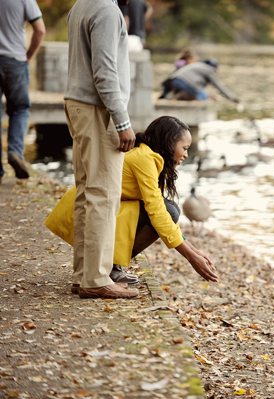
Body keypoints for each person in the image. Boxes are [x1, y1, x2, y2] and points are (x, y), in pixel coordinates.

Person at [45, 116, 219, 288]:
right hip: (84, 211)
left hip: (97, 210)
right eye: (185, 148)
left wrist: (195, 251)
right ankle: (110, 266)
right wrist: (190, 257)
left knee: (170, 209)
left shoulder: (148, 156)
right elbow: (157, 212)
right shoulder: (145, 158)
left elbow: (159, 210)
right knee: (169, 211)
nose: (186, 154)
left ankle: (111, 265)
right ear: (169, 143)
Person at [63, 0, 138, 299]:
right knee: (103, 194)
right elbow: (104, 71)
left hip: (79, 104)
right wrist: (122, 121)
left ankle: (84, 274)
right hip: (97, 110)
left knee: (87, 192)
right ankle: (95, 279)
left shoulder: (81, 4)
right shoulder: (107, 10)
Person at [0, 0, 46, 183]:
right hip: (15, 61)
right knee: (19, 109)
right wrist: (28, 56)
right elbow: (40, 29)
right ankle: (15, 152)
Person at [160, 58, 240, 103]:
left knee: (201, 92)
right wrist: (232, 98)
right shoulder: (210, 70)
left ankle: (169, 97)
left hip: (174, 81)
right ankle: (193, 109)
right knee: (204, 94)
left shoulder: (199, 65)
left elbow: (200, 85)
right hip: (182, 82)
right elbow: (218, 86)